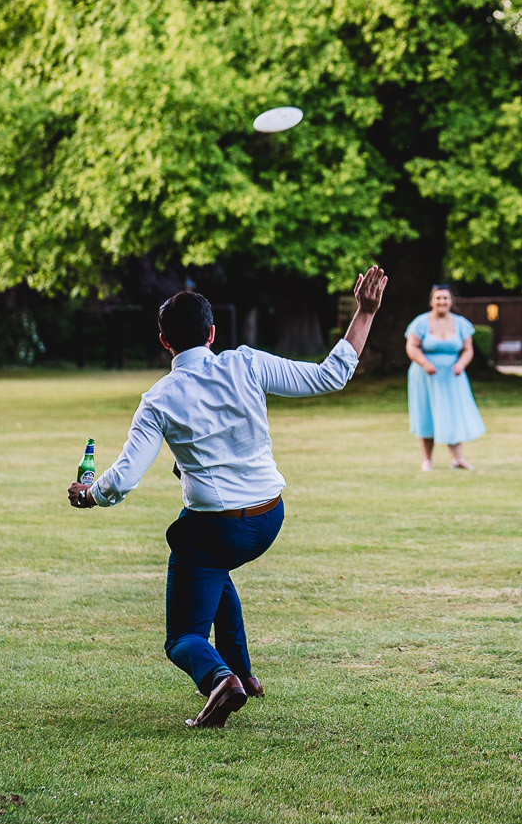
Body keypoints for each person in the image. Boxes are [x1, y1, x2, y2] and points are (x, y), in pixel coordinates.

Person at [69, 266, 391, 729]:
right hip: (269, 518)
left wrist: (89, 495)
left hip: (217, 527)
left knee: (182, 636)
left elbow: (122, 479)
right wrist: (365, 311)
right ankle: (242, 671)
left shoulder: (158, 399)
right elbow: (331, 375)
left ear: (164, 342)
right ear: (212, 333)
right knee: (210, 567)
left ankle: (220, 679)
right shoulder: (246, 362)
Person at [406, 284, 487, 469]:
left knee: (452, 414)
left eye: (445, 298)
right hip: (425, 376)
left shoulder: (461, 323)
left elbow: (468, 349)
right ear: (431, 301)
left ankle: (457, 459)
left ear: (451, 301)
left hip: (452, 376)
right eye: (438, 298)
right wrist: (425, 363)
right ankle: (427, 459)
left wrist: (461, 364)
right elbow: (412, 347)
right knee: (426, 413)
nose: (442, 302)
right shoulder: (420, 323)